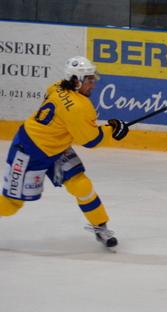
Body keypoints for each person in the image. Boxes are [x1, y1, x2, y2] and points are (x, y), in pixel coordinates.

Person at [1, 57, 129, 246]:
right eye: (89, 79)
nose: (93, 83)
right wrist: (113, 130)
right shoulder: (79, 106)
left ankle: (100, 227)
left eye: (93, 78)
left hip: (56, 147)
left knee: (81, 185)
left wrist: (109, 128)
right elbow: (91, 140)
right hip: (29, 151)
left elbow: (73, 121)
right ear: (76, 81)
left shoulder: (58, 86)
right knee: (11, 205)